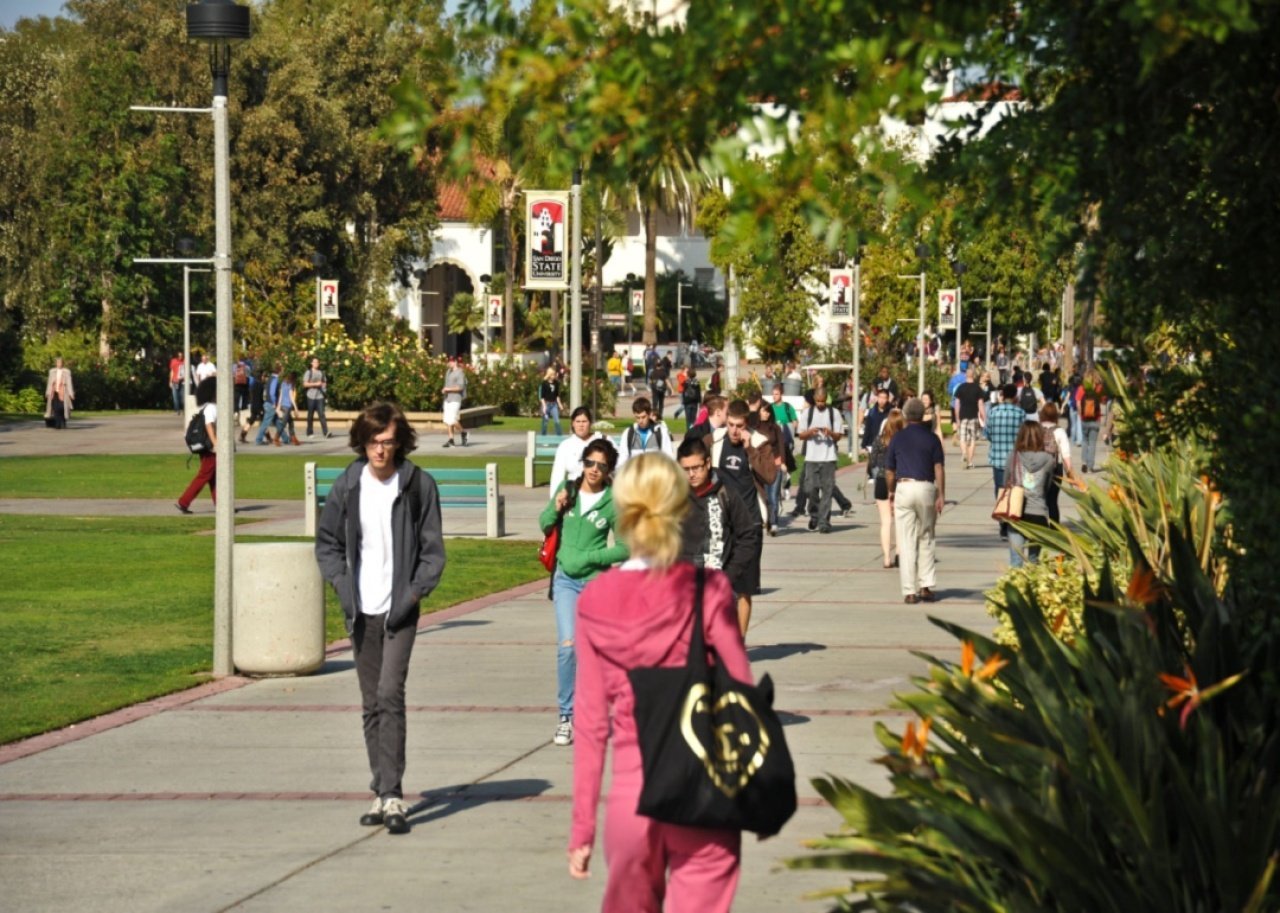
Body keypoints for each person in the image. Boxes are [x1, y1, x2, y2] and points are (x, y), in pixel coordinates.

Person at [569, 453, 753, 911]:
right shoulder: (708, 590)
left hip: (634, 799)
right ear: (680, 509)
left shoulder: (596, 599)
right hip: (702, 791)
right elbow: (741, 691)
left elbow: (591, 724)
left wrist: (583, 828)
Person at [315, 401, 446, 835]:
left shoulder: (417, 485)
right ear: (362, 442)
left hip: (399, 610)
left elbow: (433, 552)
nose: (380, 450)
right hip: (360, 610)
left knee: (390, 693)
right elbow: (327, 543)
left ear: (399, 442)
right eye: (373, 441)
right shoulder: (349, 484)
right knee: (371, 702)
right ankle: (381, 788)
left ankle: (392, 794)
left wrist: (413, 593)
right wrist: (341, 584)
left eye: (388, 442)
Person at [538, 438, 627, 747]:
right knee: (567, 646)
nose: (594, 469)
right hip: (565, 580)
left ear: (609, 470)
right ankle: (566, 717)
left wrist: (593, 558)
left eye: (601, 465)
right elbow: (544, 523)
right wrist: (557, 506)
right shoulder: (569, 490)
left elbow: (626, 548)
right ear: (583, 463)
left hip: (595, 584)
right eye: (590, 463)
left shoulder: (613, 503)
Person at [704, 399, 777, 634]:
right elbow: (695, 464)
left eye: (740, 426)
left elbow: (770, 476)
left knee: (744, 589)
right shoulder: (714, 441)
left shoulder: (759, 442)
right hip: (720, 524)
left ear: (747, 424)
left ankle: (738, 642)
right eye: (731, 425)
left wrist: (750, 450)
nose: (734, 431)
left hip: (750, 524)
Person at [677, 438, 761, 587]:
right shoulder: (674, 499)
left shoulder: (726, 494)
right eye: (686, 469)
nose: (691, 474)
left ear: (708, 463)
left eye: (696, 467)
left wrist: (729, 575)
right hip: (683, 586)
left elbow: (747, 536)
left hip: (718, 585)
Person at [885, 397, 946, 604]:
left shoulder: (898, 438)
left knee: (906, 540)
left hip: (904, 486)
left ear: (905, 415)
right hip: (926, 487)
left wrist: (891, 491)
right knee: (926, 536)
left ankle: (909, 591)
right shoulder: (932, 438)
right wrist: (941, 494)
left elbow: (889, 470)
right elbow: (939, 467)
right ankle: (926, 586)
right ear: (922, 415)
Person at [795, 387, 845, 534]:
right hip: (812, 458)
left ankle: (824, 522)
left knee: (827, 491)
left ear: (826, 399)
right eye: (818, 401)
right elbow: (800, 435)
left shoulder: (834, 413)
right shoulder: (807, 413)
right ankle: (814, 515)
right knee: (810, 489)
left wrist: (830, 433)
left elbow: (839, 436)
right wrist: (810, 432)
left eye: (822, 401)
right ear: (814, 399)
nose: (820, 404)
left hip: (829, 458)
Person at [1006, 422, 1054, 568]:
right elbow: (1048, 486)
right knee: (1034, 562)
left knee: (1016, 562)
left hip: (1016, 512)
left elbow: (1005, 482)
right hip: (1038, 512)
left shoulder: (1013, 457)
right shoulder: (1048, 459)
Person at [986, 383, 1025, 540]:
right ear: (1015, 396)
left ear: (1002, 395)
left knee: (1000, 489)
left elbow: (988, 433)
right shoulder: (1020, 413)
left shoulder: (993, 412)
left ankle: (1002, 522)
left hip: (997, 457)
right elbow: (1024, 435)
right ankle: (1012, 520)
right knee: (1015, 489)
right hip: (1015, 459)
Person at [867, 409, 905, 568]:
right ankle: (899, 554)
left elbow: (872, 461)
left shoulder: (879, 440)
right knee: (900, 521)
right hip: (900, 481)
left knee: (885, 522)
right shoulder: (904, 441)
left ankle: (886, 558)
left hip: (882, 481)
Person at [175, 376, 218, 513]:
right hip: (210, 448)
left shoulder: (206, 407)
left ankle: (221, 504)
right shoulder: (212, 407)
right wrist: (215, 443)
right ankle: (184, 501)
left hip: (207, 446)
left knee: (213, 477)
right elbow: (209, 425)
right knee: (205, 475)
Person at [548, 406, 603, 495]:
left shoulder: (601, 441)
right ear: (573, 423)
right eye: (578, 421)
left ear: (590, 423)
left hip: (599, 493)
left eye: (584, 421)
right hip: (574, 493)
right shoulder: (565, 446)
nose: (581, 425)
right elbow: (557, 476)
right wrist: (555, 498)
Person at [1039, 403, 1074, 523]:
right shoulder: (1060, 431)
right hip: (1055, 469)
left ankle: (1040, 526)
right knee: (1052, 501)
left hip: (1039, 468)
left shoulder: (1036, 429)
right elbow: (1066, 455)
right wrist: (1070, 473)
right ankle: (1054, 528)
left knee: (1039, 499)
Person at [617, 396, 675, 466]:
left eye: (643, 417)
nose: (640, 421)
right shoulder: (628, 433)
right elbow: (622, 459)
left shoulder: (660, 432)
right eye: (637, 417)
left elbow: (669, 457)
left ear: (649, 414)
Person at [952, 367, 987, 469]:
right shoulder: (977, 388)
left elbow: (957, 404)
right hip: (973, 416)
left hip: (963, 416)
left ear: (966, 375)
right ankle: (970, 461)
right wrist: (984, 417)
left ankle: (964, 453)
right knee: (972, 440)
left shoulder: (960, 387)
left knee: (962, 438)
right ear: (973, 376)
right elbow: (980, 404)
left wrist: (957, 418)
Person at [769, 384, 799, 500]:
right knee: (775, 465)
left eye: (776, 394)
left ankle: (786, 487)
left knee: (786, 464)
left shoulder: (787, 407)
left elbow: (795, 421)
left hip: (786, 440)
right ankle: (777, 490)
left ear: (781, 394)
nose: (774, 396)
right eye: (773, 394)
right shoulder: (770, 408)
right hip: (774, 441)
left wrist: (791, 428)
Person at [1078, 370, 1107, 472]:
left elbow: (1078, 404)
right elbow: (1104, 401)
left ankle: (1084, 462)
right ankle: (1090, 466)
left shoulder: (1081, 388)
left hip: (1084, 419)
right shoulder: (1099, 388)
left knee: (1085, 441)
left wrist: (1081, 415)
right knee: (1092, 443)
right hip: (1095, 419)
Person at [441, 355, 468, 447]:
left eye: (451, 361)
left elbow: (460, 387)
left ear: (455, 362)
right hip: (447, 399)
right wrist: (445, 390)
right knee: (447, 420)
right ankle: (451, 439)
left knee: (452, 419)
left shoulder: (460, 373)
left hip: (455, 399)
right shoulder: (448, 372)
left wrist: (448, 389)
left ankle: (463, 432)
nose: (449, 363)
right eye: (449, 361)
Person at [303, 357, 331, 438]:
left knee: (322, 414)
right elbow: (305, 384)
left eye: (317, 362)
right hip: (310, 396)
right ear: (311, 363)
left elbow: (324, 383)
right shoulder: (308, 372)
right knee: (310, 415)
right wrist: (315, 384)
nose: (316, 364)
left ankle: (326, 432)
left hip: (320, 396)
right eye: (315, 362)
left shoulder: (321, 372)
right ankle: (309, 432)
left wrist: (324, 386)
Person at [255, 364, 283, 446]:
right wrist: (274, 403)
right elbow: (272, 393)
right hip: (271, 404)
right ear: (279, 371)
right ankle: (258, 440)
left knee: (277, 422)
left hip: (268, 403)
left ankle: (286, 438)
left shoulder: (270, 378)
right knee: (265, 423)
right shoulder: (275, 379)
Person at [44, 356, 74, 429]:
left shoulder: (66, 372)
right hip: (54, 392)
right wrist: (47, 392)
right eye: (57, 362)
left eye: (60, 362)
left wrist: (71, 393)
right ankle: (57, 424)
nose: (59, 364)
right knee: (55, 408)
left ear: (63, 363)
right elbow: (49, 383)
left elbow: (69, 383)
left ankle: (63, 422)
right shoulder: (52, 371)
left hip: (63, 392)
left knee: (62, 408)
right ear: (56, 363)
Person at [860, 387, 893, 453]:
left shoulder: (891, 412)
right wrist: (864, 445)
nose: (882, 400)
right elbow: (867, 429)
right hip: (872, 444)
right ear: (877, 398)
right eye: (880, 397)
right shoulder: (872, 412)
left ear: (887, 399)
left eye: (884, 398)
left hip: (887, 444)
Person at [277, 372, 302, 447]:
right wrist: (296, 408)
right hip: (287, 406)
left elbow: (281, 395)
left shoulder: (283, 383)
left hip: (283, 405)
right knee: (283, 424)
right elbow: (291, 397)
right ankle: (276, 438)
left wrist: (279, 405)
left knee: (291, 423)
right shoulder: (291, 384)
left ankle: (293, 438)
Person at [539, 367, 564, 435]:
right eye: (552, 375)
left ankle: (559, 436)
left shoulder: (556, 383)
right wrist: (544, 406)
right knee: (545, 422)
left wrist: (560, 404)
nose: (554, 376)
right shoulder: (544, 383)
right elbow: (542, 397)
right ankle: (543, 437)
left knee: (557, 421)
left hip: (554, 405)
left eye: (554, 374)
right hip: (546, 404)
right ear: (549, 375)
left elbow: (557, 395)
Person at [678, 367, 702, 432]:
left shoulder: (685, 382)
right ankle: (693, 431)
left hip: (687, 402)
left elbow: (683, 392)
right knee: (693, 419)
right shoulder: (697, 382)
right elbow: (698, 393)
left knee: (688, 419)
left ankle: (688, 431)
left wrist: (683, 401)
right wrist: (700, 402)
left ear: (688, 374)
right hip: (694, 402)